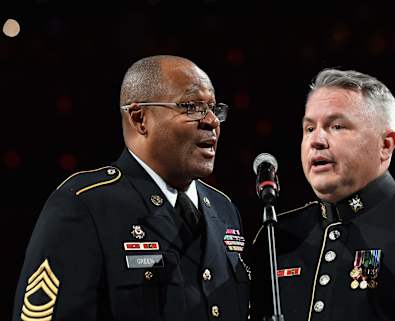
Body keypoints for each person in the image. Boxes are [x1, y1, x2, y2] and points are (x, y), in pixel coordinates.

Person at [12, 55, 250, 321]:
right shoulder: (85, 205)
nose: (212, 121)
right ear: (140, 119)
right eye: (192, 107)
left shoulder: (224, 210)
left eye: (214, 109)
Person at [249, 68, 395, 321]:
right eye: (309, 128)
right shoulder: (277, 237)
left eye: (337, 126)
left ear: (386, 145)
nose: (316, 140)